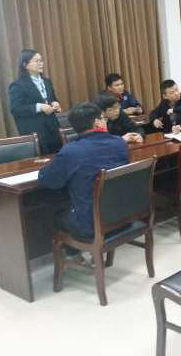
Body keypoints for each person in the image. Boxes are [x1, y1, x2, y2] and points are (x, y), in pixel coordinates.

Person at [38, 102, 129, 256]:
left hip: (92, 225)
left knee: (55, 213)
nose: (105, 121)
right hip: (123, 216)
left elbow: (48, 180)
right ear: (97, 122)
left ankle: (73, 257)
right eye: (103, 118)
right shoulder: (119, 142)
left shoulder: (71, 151)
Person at [8, 49, 62, 154]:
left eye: (41, 60)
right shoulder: (18, 85)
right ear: (25, 65)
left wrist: (55, 104)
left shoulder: (47, 81)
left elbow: (52, 99)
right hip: (36, 132)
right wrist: (39, 107)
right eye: (37, 61)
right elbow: (16, 109)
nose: (41, 63)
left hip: (53, 130)